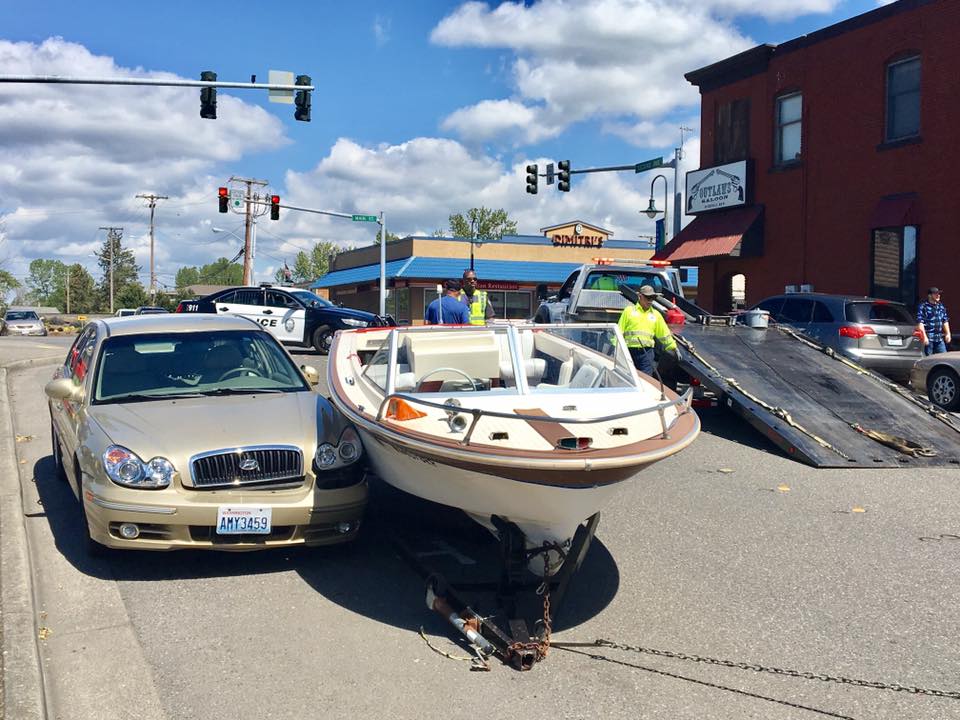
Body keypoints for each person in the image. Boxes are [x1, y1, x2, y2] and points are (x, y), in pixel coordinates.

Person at [617, 284, 678, 376]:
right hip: (628, 352)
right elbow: (619, 331)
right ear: (640, 296)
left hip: (647, 353)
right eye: (647, 297)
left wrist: (673, 347)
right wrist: (615, 348)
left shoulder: (656, 315)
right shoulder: (629, 311)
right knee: (627, 377)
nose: (650, 300)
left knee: (646, 379)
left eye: (652, 298)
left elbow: (664, 334)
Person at [916, 286, 951, 356]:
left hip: (939, 338)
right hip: (929, 338)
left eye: (939, 294)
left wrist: (948, 333)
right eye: (936, 294)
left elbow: (945, 320)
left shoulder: (940, 306)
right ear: (929, 295)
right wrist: (924, 337)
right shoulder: (923, 306)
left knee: (944, 357)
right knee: (929, 359)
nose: (938, 295)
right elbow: (920, 322)